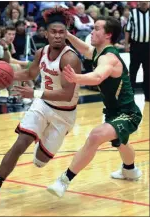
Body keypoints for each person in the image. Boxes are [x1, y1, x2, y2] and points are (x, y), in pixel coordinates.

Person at [0, 7, 81, 208]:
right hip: (42, 105)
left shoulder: (70, 58)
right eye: (54, 32)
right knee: (20, 142)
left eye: (62, 32)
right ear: (46, 33)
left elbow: (67, 94)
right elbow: (30, 74)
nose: (58, 36)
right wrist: (5, 73)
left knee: (40, 162)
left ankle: (40, 137)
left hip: (64, 114)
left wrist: (33, 93)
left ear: (66, 33)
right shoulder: (41, 52)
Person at [47, 16, 142, 198]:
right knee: (120, 142)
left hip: (128, 113)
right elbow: (85, 49)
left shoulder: (110, 58)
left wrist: (77, 78)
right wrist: (67, 35)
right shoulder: (99, 52)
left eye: (96, 28)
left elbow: (98, 77)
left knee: (95, 135)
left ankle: (64, 180)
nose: (92, 31)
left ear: (108, 34)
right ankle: (130, 170)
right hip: (113, 111)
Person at [125, 2, 149, 101]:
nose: (144, 3)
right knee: (133, 70)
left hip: (148, 46)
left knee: (148, 71)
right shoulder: (133, 13)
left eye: (146, 2)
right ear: (138, 3)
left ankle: (148, 95)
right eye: (142, 2)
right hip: (136, 45)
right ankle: (130, 95)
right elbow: (127, 30)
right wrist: (126, 44)